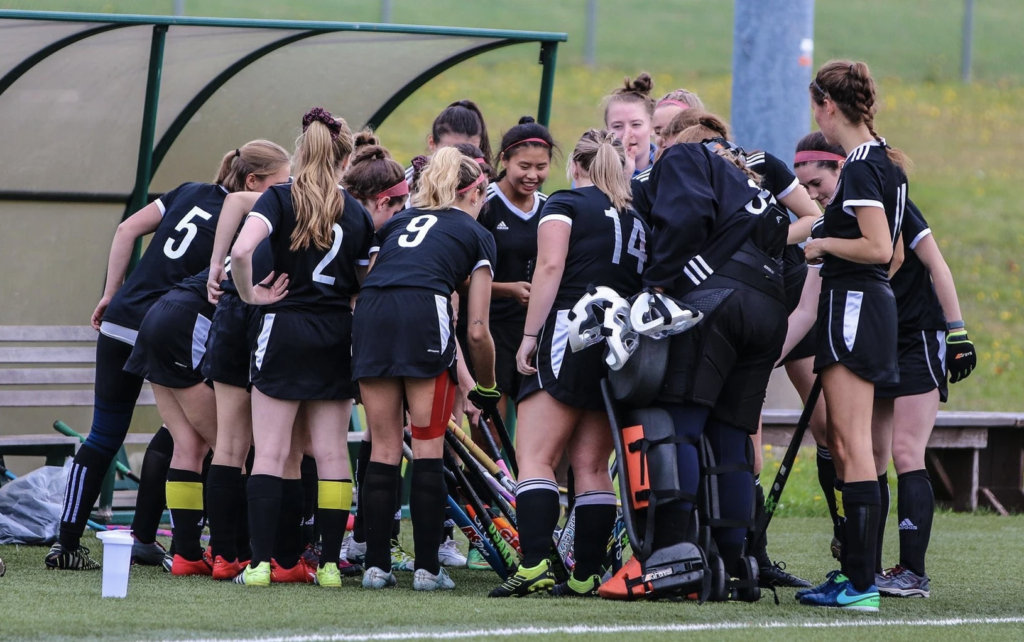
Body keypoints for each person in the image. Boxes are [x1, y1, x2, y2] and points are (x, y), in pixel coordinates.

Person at [45, 140, 290, 571]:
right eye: (279, 184)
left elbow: (125, 230)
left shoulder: (189, 191)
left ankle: (68, 543)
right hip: (175, 326)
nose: (283, 193)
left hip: (125, 318)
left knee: (110, 435)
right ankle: (226, 550)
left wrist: (110, 294)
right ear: (253, 182)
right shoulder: (250, 221)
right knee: (223, 445)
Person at [603, 120, 791, 600]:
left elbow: (685, 214)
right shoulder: (753, 188)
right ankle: (736, 562)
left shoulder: (685, 157)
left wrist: (658, 285)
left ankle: (673, 555)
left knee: (678, 424)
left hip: (715, 301)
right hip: (768, 309)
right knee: (730, 436)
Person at [490, 129, 647, 598]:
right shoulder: (636, 216)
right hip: (619, 339)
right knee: (592, 466)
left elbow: (550, 267)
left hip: (571, 328)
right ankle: (585, 575)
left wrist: (530, 336)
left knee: (535, 458)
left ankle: (535, 563)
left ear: (575, 167)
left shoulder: (564, 203)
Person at [230, 108, 374, 589]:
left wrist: (252, 295)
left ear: (300, 151)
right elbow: (362, 283)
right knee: (332, 454)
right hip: (336, 334)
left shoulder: (278, 197)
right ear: (346, 157)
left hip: (285, 328)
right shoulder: (356, 212)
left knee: (269, 453)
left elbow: (240, 252)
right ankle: (330, 565)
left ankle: (261, 565)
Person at [352, 146, 497, 592]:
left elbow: (371, 278)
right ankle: (428, 568)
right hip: (422, 313)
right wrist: (486, 389)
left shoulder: (397, 221)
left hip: (372, 315)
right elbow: (476, 331)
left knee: (383, 449)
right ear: (473, 192)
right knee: (430, 448)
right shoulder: (475, 233)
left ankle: (376, 565)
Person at [796, 60, 911, 613]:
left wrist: (823, 249)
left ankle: (860, 583)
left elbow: (879, 248)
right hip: (868, 304)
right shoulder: (883, 158)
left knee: (849, 443)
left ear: (827, 107)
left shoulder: (863, 164)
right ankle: (856, 577)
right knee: (848, 444)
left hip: (855, 305)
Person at [871, 189, 974, 598]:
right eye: (803, 185)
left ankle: (913, 573)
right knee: (870, 454)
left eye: (816, 182)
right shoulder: (838, 213)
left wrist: (957, 331)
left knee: (906, 451)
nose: (812, 193)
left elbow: (937, 266)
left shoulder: (892, 202)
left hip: (917, 337)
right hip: (876, 339)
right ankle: (866, 566)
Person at [404, 100, 493, 187]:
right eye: (451, 154)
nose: (461, 166)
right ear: (432, 143)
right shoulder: (406, 185)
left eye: (470, 156)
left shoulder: (484, 186)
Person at [604, 73, 657, 176]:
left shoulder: (668, 168)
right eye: (617, 126)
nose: (627, 134)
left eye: (636, 124)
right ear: (607, 131)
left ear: (652, 127)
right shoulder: (592, 174)